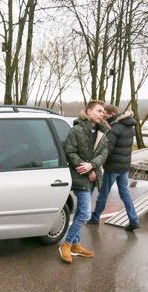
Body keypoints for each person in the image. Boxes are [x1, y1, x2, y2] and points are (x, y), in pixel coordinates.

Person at [59, 100, 109, 264]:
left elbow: (104, 153)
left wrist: (92, 166)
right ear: (88, 112)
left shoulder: (102, 131)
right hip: (80, 177)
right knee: (86, 214)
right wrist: (87, 168)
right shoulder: (76, 130)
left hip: (93, 176)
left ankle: (76, 245)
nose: (102, 114)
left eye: (103, 111)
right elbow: (70, 152)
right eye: (99, 111)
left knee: (81, 211)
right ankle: (66, 244)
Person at [88, 105, 140, 231]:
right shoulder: (129, 127)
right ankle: (134, 220)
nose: (104, 116)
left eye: (105, 114)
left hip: (113, 166)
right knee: (125, 193)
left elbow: (107, 149)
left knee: (103, 193)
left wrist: (96, 164)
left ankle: (95, 217)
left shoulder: (115, 128)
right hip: (124, 166)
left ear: (112, 114)